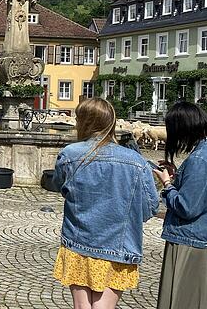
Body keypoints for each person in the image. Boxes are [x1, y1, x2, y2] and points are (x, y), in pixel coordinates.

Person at [52, 98, 159, 309]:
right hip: (119, 246)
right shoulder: (137, 161)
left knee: (82, 306)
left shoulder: (70, 155)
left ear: (83, 122)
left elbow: (58, 186)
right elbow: (150, 208)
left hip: (78, 241)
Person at [152, 102, 207, 309]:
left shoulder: (201, 159)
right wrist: (178, 177)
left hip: (192, 243)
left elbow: (187, 207)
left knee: (183, 300)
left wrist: (166, 184)